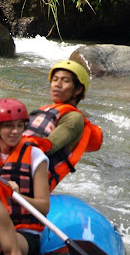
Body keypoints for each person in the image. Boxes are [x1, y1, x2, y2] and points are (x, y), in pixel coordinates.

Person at [0, 98, 50, 255]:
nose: (15, 131)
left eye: (19, 125)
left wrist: (16, 196)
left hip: (23, 231)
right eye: (9, 126)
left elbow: (44, 206)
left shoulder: (35, 156)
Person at [23, 59, 103, 191]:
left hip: (31, 183)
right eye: (55, 79)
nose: (57, 85)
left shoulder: (74, 118)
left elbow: (48, 147)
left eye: (65, 81)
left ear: (78, 90)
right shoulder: (41, 111)